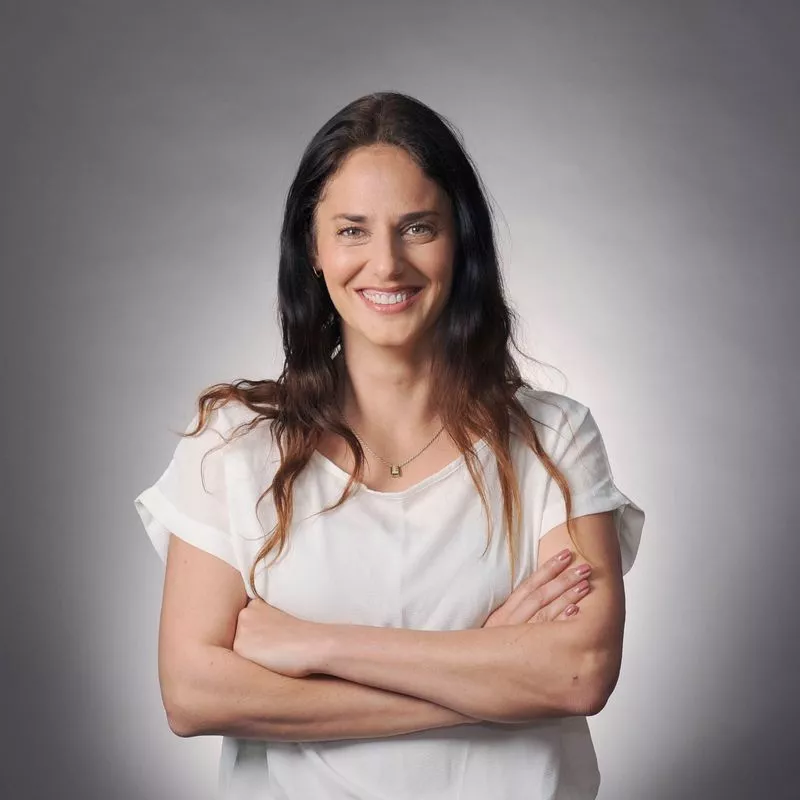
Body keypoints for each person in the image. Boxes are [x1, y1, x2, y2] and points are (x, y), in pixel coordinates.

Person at [134, 90, 645, 800]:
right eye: (352, 230)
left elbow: (579, 673)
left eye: (418, 228)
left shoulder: (554, 440)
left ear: (460, 242)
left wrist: (319, 645)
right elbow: (193, 695)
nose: (386, 263)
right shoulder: (234, 445)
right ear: (312, 249)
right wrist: (488, 671)